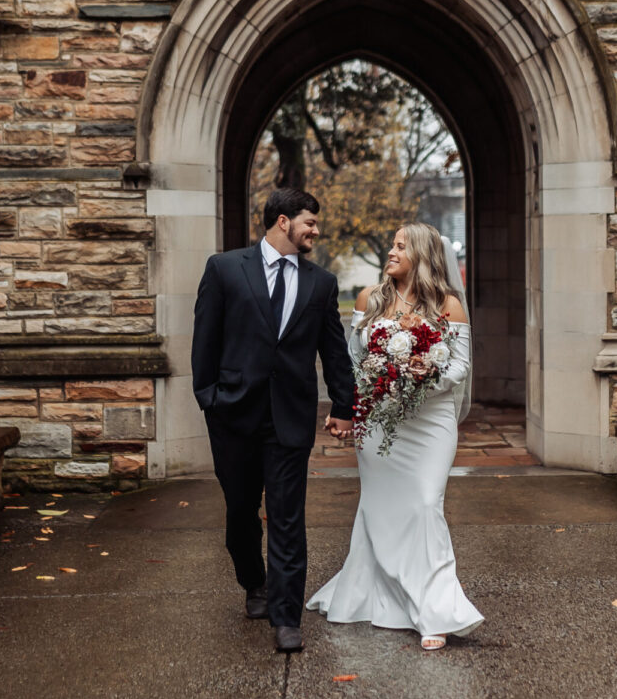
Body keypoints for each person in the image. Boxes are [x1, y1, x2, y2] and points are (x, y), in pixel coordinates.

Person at [191, 188, 356, 654]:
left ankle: (287, 617)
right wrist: (210, 399)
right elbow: (206, 338)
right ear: (283, 222)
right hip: (233, 415)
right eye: (310, 222)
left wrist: (344, 406)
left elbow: (334, 351)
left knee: (287, 517)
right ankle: (254, 583)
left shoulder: (321, 283)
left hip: (290, 417)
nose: (316, 231)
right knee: (241, 512)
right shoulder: (224, 269)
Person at [306, 223, 483, 651]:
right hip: (379, 421)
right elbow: (352, 360)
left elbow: (460, 366)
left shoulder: (448, 306)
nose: (392, 250)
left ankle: (436, 610)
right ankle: (373, 595)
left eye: (401, 246)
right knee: (380, 508)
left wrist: (428, 374)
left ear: (422, 255)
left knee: (425, 504)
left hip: (431, 421)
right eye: (392, 244)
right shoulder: (370, 300)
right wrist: (349, 406)